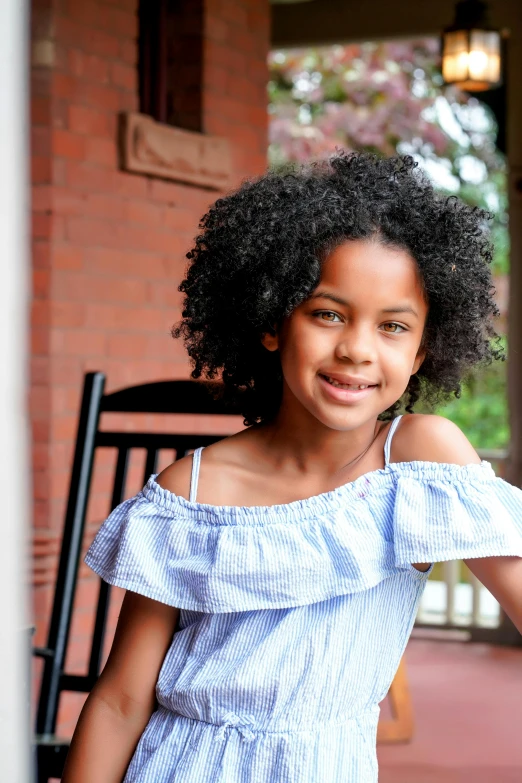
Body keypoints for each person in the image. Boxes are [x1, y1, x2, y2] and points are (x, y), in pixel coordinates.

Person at [62, 152, 522, 783]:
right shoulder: (189, 493)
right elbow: (119, 701)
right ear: (274, 321)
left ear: (421, 353)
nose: (357, 349)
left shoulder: (419, 461)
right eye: (327, 313)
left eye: (393, 326)